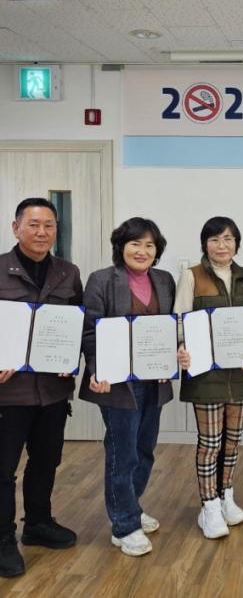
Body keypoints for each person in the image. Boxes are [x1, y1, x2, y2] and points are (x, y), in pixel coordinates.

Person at [79, 217, 175, 557]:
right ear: (121, 246)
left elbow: (170, 326)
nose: (142, 251)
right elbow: (89, 330)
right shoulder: (102, 279)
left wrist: (171, 358)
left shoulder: (164, 280)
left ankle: (130, 505)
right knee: (123, 454)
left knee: (145, 449)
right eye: (135, 243)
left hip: (154, 381)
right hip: (117, 384)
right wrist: (97, 368)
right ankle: (123, 525)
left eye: (150, 245)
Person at [0, 198, 83, 578]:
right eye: (33, 224)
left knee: (46, 460)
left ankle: (37, 523)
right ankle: (3, 539)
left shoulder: (68, 272)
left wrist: (71, 358)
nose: (41, 232)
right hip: (9, 393)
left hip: (52, 390)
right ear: (16, 227)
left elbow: (78, 324)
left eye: (49, 225)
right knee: (3, 470)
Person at [174, 217, 243, 539]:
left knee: (233, 441)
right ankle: (208, 505)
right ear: (205, 244)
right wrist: (182, 346)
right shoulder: (192, 276)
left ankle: (226, 495)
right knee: (210, 443)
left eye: (228, 239)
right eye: (214, 240)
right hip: (205, 373)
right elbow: (180, 319)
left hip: (239, 372)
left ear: (236, 243)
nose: (221, 246)